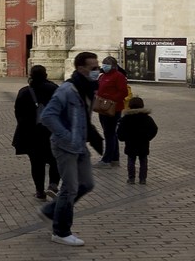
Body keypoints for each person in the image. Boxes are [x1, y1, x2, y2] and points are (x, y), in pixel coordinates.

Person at [38, 51, 102, 245]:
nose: (97, 71)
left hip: (79, 144)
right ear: (81, 68)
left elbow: (84, 117)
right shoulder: (67, 89)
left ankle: (50, 211)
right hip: (65, 146)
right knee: (70, 187)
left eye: (97, 67)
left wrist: (93, 136)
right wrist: (65, 135)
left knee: (87, 184)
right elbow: (48, 116)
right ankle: (61, 231)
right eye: (93, 68)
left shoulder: (88, 89)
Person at [12, 63, 60, 199]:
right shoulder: (54, 89)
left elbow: (18, 112)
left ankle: (39, 191)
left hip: (31, 133)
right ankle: (53, 184)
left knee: (36, 163)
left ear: (31, 76)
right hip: (51, 131)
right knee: (55, 159)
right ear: (46, 75)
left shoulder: (24, 91)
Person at [93, 54, 130, 165]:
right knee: (109, 133)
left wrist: (110, 99)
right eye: (104, 64)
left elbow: (123, 92)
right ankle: (114, 158)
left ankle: (107, 159)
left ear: (113, 66)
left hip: (113, 108)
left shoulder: (118, 76)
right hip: (102, 107)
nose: (104, 66)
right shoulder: (103, 76)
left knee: (109, 133)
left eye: (107, 65)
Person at [115, 95, 158, 183]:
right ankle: (142, 179)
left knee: (131, 160)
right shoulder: (147, 118)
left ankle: (131, 178)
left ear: (129, 105)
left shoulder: (126, 118)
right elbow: (154, 129)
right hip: (143, 143)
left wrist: (123, 138)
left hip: (130, 143)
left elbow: (120, 131)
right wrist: (148, 137)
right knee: (143, 161)